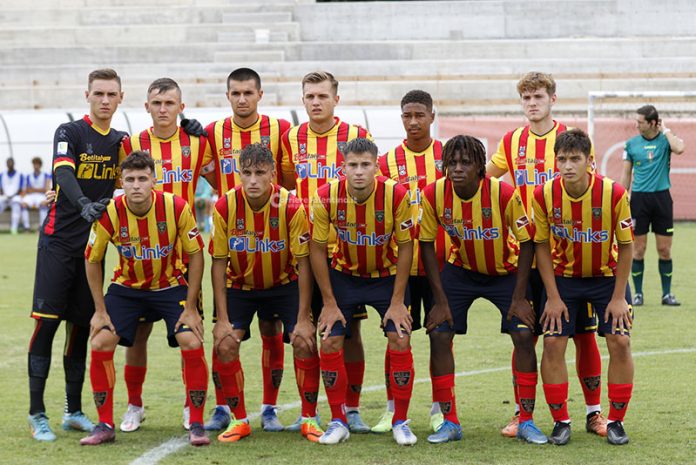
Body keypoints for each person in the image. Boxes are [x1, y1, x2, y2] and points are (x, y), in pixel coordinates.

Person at [486, 71, 607, 438]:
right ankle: (522, 414)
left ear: (552, 99)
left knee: (583, 335)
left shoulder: (571, 140)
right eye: (526, 98)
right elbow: (486, 180)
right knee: (525, 335)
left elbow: (591, 189)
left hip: (567, 258)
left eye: (538, 96)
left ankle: (594, 413)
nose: (532, 103)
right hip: (524, 256)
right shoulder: (512, 142)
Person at [419, 135, 546, 444]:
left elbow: (527, 241)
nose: (458, 168)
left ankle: (526, 420)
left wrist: (519, 297)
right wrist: (439, 301)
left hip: (506, 271)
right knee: (439, 333)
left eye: (466, 162)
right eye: (452, 162)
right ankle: (449, 422)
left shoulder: (503, 193)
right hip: (461, 270)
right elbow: (426, 244)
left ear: (480, 166)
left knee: (523, 334)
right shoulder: (434, 193)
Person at [81, 151, 209, 446]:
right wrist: (99, 310)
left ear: (154, 180)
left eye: (142, 178)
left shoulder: (176, 207)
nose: (136, 185)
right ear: (121, 182)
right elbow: (92, 259)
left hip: (170, 285)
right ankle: (108, 422)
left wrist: (191, 307)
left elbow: (195, 255)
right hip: (127, 289)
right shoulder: (110, 212)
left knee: (191, 339)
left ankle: (196, 421)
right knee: (100, 341)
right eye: (130, 179)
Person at [27, 68, 127, 442]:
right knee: (46, 325)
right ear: (87, 95)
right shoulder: (69, 132)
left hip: (92, 251)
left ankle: (73, 411)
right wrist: (83, 202)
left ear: (121, 98)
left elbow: (137, 178)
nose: (105, 100)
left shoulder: (121, 141)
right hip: (57, 243)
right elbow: (64, 174)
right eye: (98, 93)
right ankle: (37, 413)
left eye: (111, 94)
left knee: (81, 328)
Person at [209, 143, 323, 444]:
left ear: (273, 173)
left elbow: (304, 263)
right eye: (246, 173)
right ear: (238, 173)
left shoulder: (291, 206)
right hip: (240, 287)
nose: (253, 180)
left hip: (284, 285)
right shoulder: (224, 206)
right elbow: (218, 264)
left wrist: (304, 318)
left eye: (260, 173)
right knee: (224, 344)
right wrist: (222, 319)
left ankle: (309, 419)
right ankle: (239, 421)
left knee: (304, 341)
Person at [117, 77, 212, 433]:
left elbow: (224, 178)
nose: (162, 109)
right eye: (156, 103)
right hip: (142, 253)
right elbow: (116, 185)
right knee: (138, 334)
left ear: (181, 108)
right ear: (146, 107)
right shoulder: (131, 144)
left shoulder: (198, 143)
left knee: (190, 332)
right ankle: (134, 405)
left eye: (169, 103)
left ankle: (191, 406)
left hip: (183, 255)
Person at [309, 138, 418, 446]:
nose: (359, 171)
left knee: (400, 337)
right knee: (330, 340)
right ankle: (338, 420)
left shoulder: (397, 195)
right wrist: (329, 302)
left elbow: (406, 246)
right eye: (353, 165)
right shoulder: (326, 196)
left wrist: (397, 302)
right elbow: (317, 249)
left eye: (365, 165)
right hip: (344, 276)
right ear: (343, 167)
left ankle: (400, 421)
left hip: (386, 276)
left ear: (376, 167)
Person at [281, 71, 372, 433]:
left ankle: (352, 408)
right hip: (303, 252)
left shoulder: (356, 135)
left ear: (336, 99)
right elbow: (287, 181)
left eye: (322, 96)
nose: (316, 102)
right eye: (310, 96)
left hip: (344, 252)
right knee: (302, 330)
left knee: (349, 333)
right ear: (302, 100)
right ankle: (308, 413)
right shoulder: (291, 138)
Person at [203, 67, 292, 432]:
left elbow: (289, 177)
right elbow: (207, 173)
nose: (242, 99)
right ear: (228, 96)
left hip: (273, 237)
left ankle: (269, 408)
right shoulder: (212, 132)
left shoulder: (281, 130)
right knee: (222, 331)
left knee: (272, 327)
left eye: (248, 93)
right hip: (233, 235)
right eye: (236, 93)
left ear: (260, 95)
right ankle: (222, 407)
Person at [533, 128, 635, 446]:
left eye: (575, 159)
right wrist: (552, 296)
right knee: (552, 343)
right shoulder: (543, 194)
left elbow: (627, 246)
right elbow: (541, 246)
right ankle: (561, 421)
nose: (568, 166)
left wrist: (618, 298)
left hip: (607, 277)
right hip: (564, 278)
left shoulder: (614, 193)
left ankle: (615, 421)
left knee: (620, 342)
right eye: (562, 159)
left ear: (590, 160)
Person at [373, 89, 448, 434]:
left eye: (420, 115)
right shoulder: (385, 163)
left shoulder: (449, 157)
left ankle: (440, 408)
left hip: (440, 266)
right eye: (408, 116)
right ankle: (392, 409)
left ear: (432, 116)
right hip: (398, 267)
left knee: (440, 336)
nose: (414, 122)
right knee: (396, 336)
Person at [620, 104, 685, 306]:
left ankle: (667, 294)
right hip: (639, 200)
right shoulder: (631, 144)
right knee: (638, 249)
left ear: (652, 123)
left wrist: (665, 129)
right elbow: (626, 174)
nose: (636, 125)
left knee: (664, 250)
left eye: (640, 122)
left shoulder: (666, 141)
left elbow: (680, 148)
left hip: (662, 199)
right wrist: (621, 198)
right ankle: (638, 294)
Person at [17, 157, 52, 231]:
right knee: (23, 205)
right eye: (34, 164)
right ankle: (26, 227)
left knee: (43, 204)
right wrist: (39, 189)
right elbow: (26, 190)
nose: (35, 166)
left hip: (41, 196)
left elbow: (46, 189)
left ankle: (41, 226)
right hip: (31, 196)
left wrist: (33, 189)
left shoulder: (45, 175)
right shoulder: (28, 176)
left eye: (37, 164)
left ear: (40, 165)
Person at [0, 157, 24, 234]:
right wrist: (4, 194)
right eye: (8, 163)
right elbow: (1, 188)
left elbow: (20, 189)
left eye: (11, 162)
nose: (9, 164)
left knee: (16, 209)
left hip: (15, 197)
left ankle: (14, 229)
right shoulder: (2, 174)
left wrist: (12, 195)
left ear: (14, 164)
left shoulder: (19, 174)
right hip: (5, 197)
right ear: (6, 164)